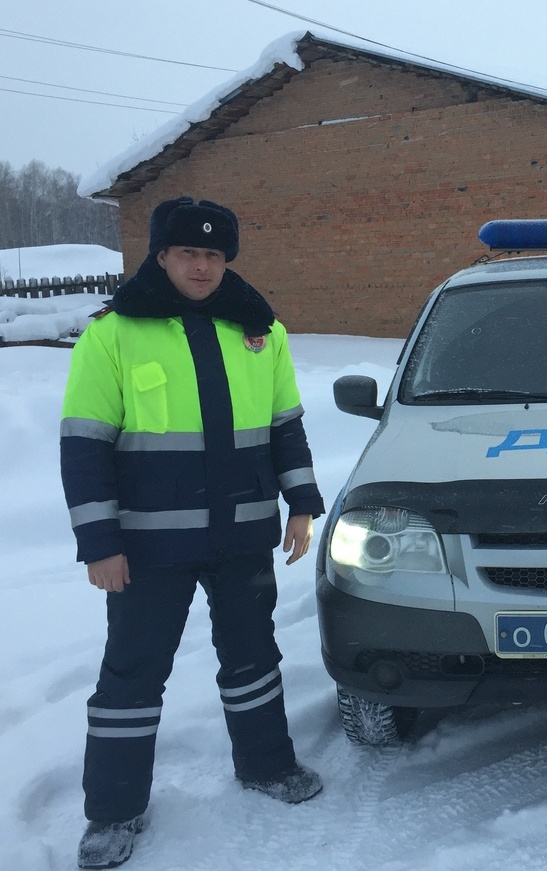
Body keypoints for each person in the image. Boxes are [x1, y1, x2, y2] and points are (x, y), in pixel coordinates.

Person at [60, 197, 326, 870]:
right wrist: (100, 542)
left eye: (213, 254)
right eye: (188, 253)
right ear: (161, 256)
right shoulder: (114, 333)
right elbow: (85, 446)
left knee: (252, 657)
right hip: (148, 546)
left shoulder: (261, 329)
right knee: (132, 672)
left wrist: (301, 501)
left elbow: (284, 426)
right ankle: (113, 811)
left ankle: (267, 765)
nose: (201, 265)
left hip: (241, 533)